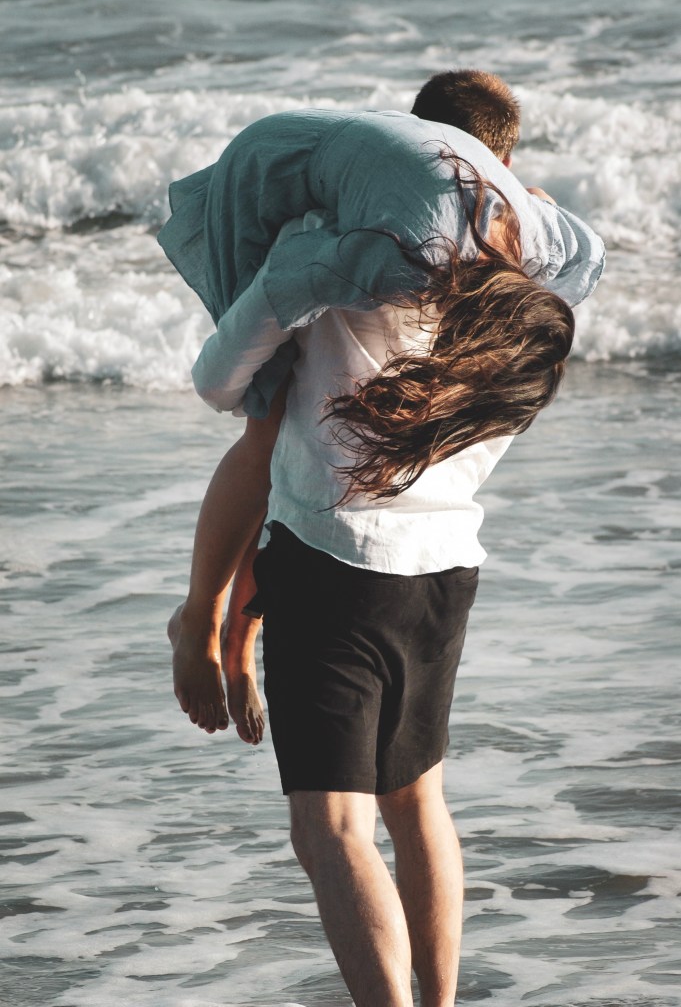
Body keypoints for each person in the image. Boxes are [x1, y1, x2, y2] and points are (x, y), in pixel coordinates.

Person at [159, 97, 605, 1006]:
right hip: (443, 571)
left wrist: (212, 624)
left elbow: (271, 455)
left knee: (330, 829)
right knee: (417, 806)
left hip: (334, 568)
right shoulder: (523, 312)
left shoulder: (343, 260)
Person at [163, 71, 555, 744]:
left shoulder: (497, 213)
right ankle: (202, 619)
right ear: (504, 158)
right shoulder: (393, 214)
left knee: (300, 450)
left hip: (353, 261)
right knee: (270, 428)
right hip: (276, 219)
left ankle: (237, 632)